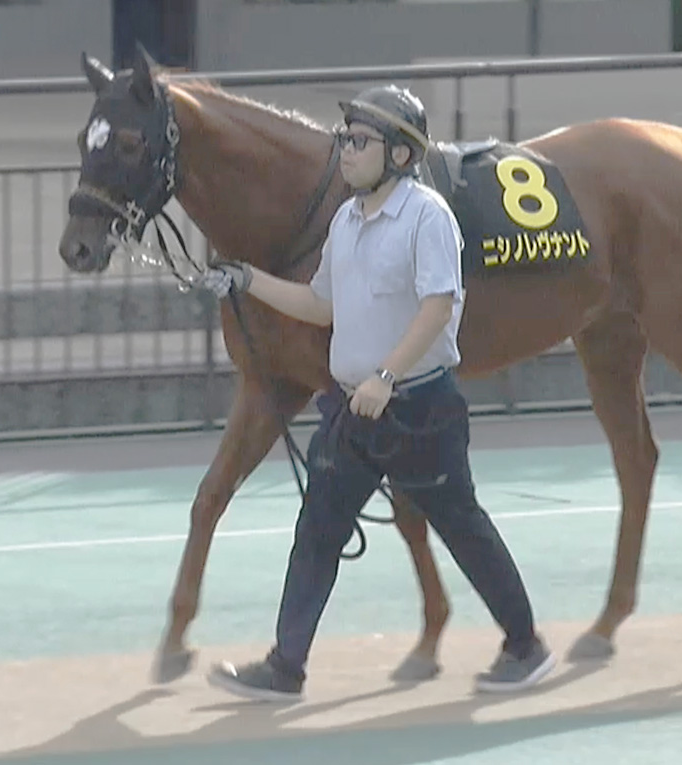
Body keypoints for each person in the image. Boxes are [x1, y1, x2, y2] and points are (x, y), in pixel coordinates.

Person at [197, 85, 556, 702]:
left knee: (461, 527)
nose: (345, 149)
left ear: (399, 155)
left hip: (418, 410)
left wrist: (385, 377)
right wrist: (249, 280)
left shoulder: (427, 217)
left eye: (360, 141)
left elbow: (438, 306)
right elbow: (320, 303)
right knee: (318, 531)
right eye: (345, 138)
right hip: (354, 412)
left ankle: (526, 646)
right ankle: (286, 667)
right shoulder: (346, 220)